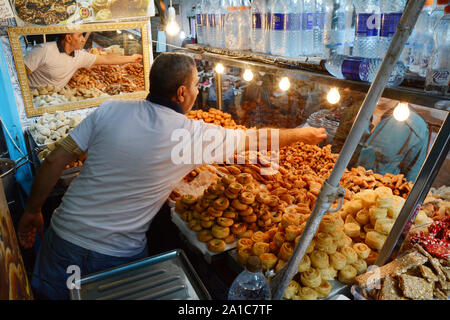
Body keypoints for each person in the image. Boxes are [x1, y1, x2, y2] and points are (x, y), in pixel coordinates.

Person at [17, 52, 327, 300]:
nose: (197, 91)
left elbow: (56, 159)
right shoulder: (187, 136)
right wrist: (302, 133)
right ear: (182, 93)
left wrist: (32, 211)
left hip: (62, 234)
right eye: (195, 86)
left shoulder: (110, 110)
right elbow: (256, 140)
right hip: (114, 255)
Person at [24, 32, 143, 89]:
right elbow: (19, 74)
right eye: (80, 36)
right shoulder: (44, 50)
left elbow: (106, 58)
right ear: (68, 38)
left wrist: (131, 58)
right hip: (33, 99)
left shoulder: (79, 56)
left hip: (56, 98)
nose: (83, 40)